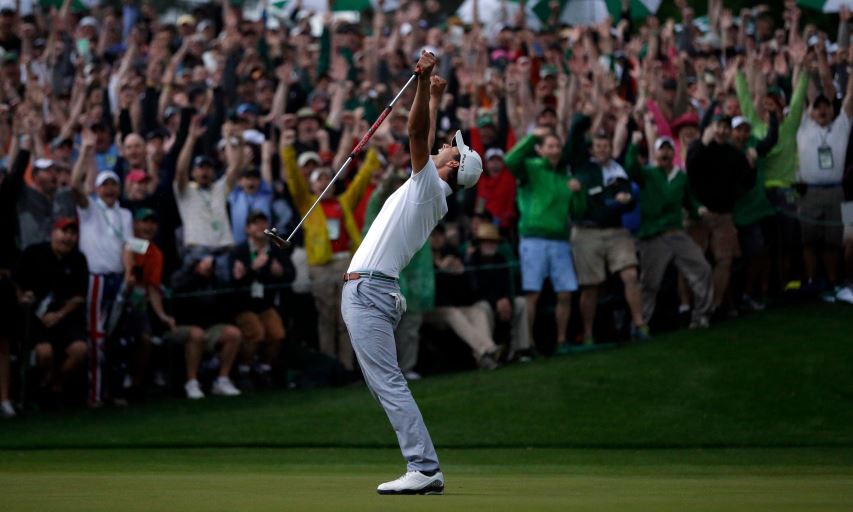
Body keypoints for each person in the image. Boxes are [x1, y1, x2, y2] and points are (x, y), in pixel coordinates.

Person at [341, 53, 482, 494]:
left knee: (388, 382)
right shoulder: (429, 188)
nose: (447, 144)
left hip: (369, 290)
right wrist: (434, 94)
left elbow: (417, 133)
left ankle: (424, 468)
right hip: (371, 289)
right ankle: (422, 466)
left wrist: (421, 84)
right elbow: (425, 135)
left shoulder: (426, 186)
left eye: (452, 147)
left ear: (454, 165)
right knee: (386, 383)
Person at [282, 129, 380, 373]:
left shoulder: (343, 202)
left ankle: (346, 367)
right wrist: (287, 150)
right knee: (326, 319)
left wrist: (374, 152)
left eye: (328, 178)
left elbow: (363, 178)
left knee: (347, 318)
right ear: (313, 185)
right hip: (321, 267)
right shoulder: (308, 205)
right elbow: (293, 179)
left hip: (345, 263)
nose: (324, 182)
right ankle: (330, 367)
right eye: (319, 179)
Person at [503, 128, 584, 354]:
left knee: (566, 293)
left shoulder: (566, 178)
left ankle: (561, 341)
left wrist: (578, 193)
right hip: (533, 239)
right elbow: (510, 159)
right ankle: (528, 344)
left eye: (557, 146)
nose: (554, 150)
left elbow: (578, 212)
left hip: (560, 240)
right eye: (549, 146)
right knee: (533, 294)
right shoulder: (531, 168)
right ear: (541, 150)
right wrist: (532, 137)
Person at [569, 119, 647, 343]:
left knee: (631, 274)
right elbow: (575, 136)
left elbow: (628, 201)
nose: (602, 150)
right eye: (598, 146)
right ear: (591, 149)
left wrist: (626, 200)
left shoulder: (618, 170)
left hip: (615, 230)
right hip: (587, 231)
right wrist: (586, 116)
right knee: (591, 285)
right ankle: (588, 334)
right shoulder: (582, 167)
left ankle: (640, 325)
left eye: (606, 146)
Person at [71, 132, 134, 407]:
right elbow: (74, 185)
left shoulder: (126, 214)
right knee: (95, 338)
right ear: (97, 189)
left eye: (113, 185)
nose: (109, 189)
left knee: (117, 338)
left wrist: (130, 274)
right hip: (95, 279)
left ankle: (115, 391)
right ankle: (94, 395)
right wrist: (85, 153)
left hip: (119, 279)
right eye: (105, 185)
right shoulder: (90, 210)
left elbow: (128, 246)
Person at [625, 131, 712, 329]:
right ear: (655, 154)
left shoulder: (680, 177)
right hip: (653, 235)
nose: (665, 153)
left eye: (668, 149)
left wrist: (698, 209)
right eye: (661, 149)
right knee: (650, 283)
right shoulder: (647, 174)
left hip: (676, 233)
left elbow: (690, 200)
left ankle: (701, 316)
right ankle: (640, 325)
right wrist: (633, 144)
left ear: (673, 153)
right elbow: (631, 167)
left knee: (702, 269)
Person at [12, 217, 89, 408]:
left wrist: (60, 314)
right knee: (44, 353)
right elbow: (14, 281)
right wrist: (23, 297)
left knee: (80, 350)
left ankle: (55, 387)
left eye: (72, 233)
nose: (68, 237)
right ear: (53, 233)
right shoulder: (33, 253)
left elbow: (80, 296)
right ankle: (33, 387)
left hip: (63, 317)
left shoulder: (78, 259)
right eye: (64, 232)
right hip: (34, 316)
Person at [686, 114, 756, 315]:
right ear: (710, 127)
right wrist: (702, 143)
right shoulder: (697, 147)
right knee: (696, 261)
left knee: (724, 261)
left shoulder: (733, 153)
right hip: (699, 215)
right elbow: (691, 168)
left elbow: (747, 182)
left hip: (724, 214)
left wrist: (752, 166)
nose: (722, 130)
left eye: (726, 127)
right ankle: (694, 305)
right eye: (719, 126)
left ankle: (715, 305)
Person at [796, 83, 853, 299]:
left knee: (832, 240)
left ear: (832, 109)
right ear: (810, 111)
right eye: (817, 107)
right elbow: (799, 94)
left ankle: (832, 283)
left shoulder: (841, 127)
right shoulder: (803, 127)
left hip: (836, 191)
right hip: (809, 191)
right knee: (809, 240)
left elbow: (850, 97)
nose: (822, 110)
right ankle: (812, 281)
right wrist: (802, 68)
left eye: (826, 106)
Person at [230, 211, 295, 389]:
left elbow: (291, 274)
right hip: (245, 305)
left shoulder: (274, 249)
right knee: (256, 333)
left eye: (263, 223)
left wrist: (280, 273)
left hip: (265, 304)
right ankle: (244, 370)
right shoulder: (239, 251)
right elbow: (233, 281)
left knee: (277, 333)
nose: (260, 227)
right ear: (247, 228)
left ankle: (264, 369)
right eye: (255, 223)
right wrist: (253, 268)